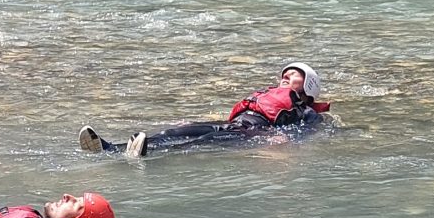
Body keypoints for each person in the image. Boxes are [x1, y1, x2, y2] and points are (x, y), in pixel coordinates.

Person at [81, 62, 332, 158]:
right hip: (233, 125)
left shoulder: (307, 112)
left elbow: (305, 132)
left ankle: (145, 154)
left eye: (294, 75)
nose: (286, 76)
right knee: (178, 130)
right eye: (284, 74)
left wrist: (281, 138)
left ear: (308, 86)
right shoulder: (268, 94)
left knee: (202, 141)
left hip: (252, 133)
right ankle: (108, 147)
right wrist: (189, 119)